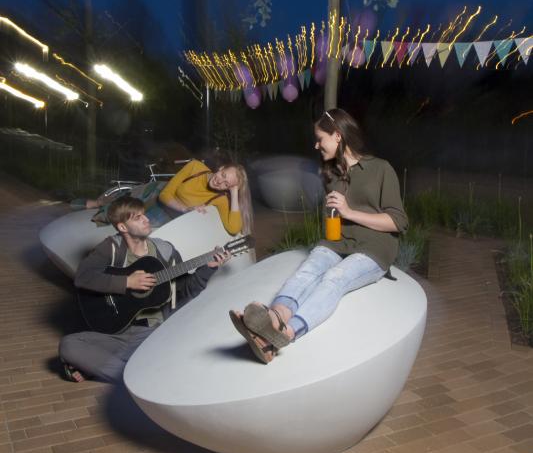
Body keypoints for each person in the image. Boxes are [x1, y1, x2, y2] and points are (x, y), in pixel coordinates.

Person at [230, 108, 408, 363]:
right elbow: (335, 219)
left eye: (319, 138)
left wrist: (349, 211)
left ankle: (284, 335)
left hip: (375, 247)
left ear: (337, 135)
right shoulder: (332, 175)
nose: (316, 145)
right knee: (308, 269)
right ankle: (273, 318)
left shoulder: (380, 168)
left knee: (334, 277)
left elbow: (398, 221)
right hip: (338, 242)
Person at [59, 195, 230, 383]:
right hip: (117, 331)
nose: (146, 219)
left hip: (153, 331)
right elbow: (83, 277)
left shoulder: (165, 250)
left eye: (144, 214)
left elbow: (186, 290)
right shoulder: (111, 248)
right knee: (69, 345)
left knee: (185, 350)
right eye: (137, 217)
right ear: (123, 227)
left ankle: (108, 369)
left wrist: (208, 268)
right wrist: (127, 282)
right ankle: (135, 377)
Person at [158, 159, 253, 235]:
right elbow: (164, 194)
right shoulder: (195, 166)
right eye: (223, 175)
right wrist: (185, 209)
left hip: (179, 224)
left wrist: (234, 193)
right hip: (161, 210)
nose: (219, 181)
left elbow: (233, 229)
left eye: (226, 184)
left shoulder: (220, 198)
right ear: (221, 168)